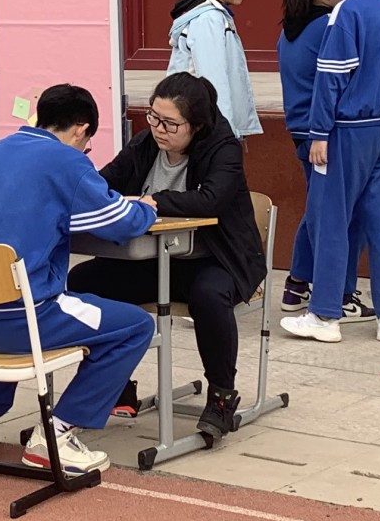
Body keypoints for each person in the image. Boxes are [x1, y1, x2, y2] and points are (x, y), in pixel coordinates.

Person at [0, 82, 157, 476]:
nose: (85, 150)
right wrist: (145, 208)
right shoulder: (66, 161)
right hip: (18, 321)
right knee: (136, 326)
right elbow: (118, 222)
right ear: (81, 129)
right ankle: (56, 433)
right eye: (87, 144)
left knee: (9, 299)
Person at [70, 72, 264, 443]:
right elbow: (104, 183)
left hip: (217, 259)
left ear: (197, 125)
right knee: (82, 282)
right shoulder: (145, 143)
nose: (159, 129)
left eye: (170, 124)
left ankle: (221, 397)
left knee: (209, 295)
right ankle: (114, 384)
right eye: (153, 118)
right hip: (155, 259)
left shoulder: (223, 148)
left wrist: (154, 200)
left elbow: (211, 200)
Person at [286, 0, 380, 345]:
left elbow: (331, 78)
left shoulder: (346, 12)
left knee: (330, 220)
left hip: (347, 130)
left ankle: (325, 315)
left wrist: (319, 132)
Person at [274, 0, 348, 318]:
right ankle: (332, 292)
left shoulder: (289, 30)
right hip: (322, 132)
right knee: (328, 213)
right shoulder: (327, 27)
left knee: (318, 207)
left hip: (300, 130)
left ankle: (297, 284)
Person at [166, 0, 260, 139]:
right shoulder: (209, 19)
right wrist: (223, 132)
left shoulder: (215, 16)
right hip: (203, 128)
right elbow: (213, 78)